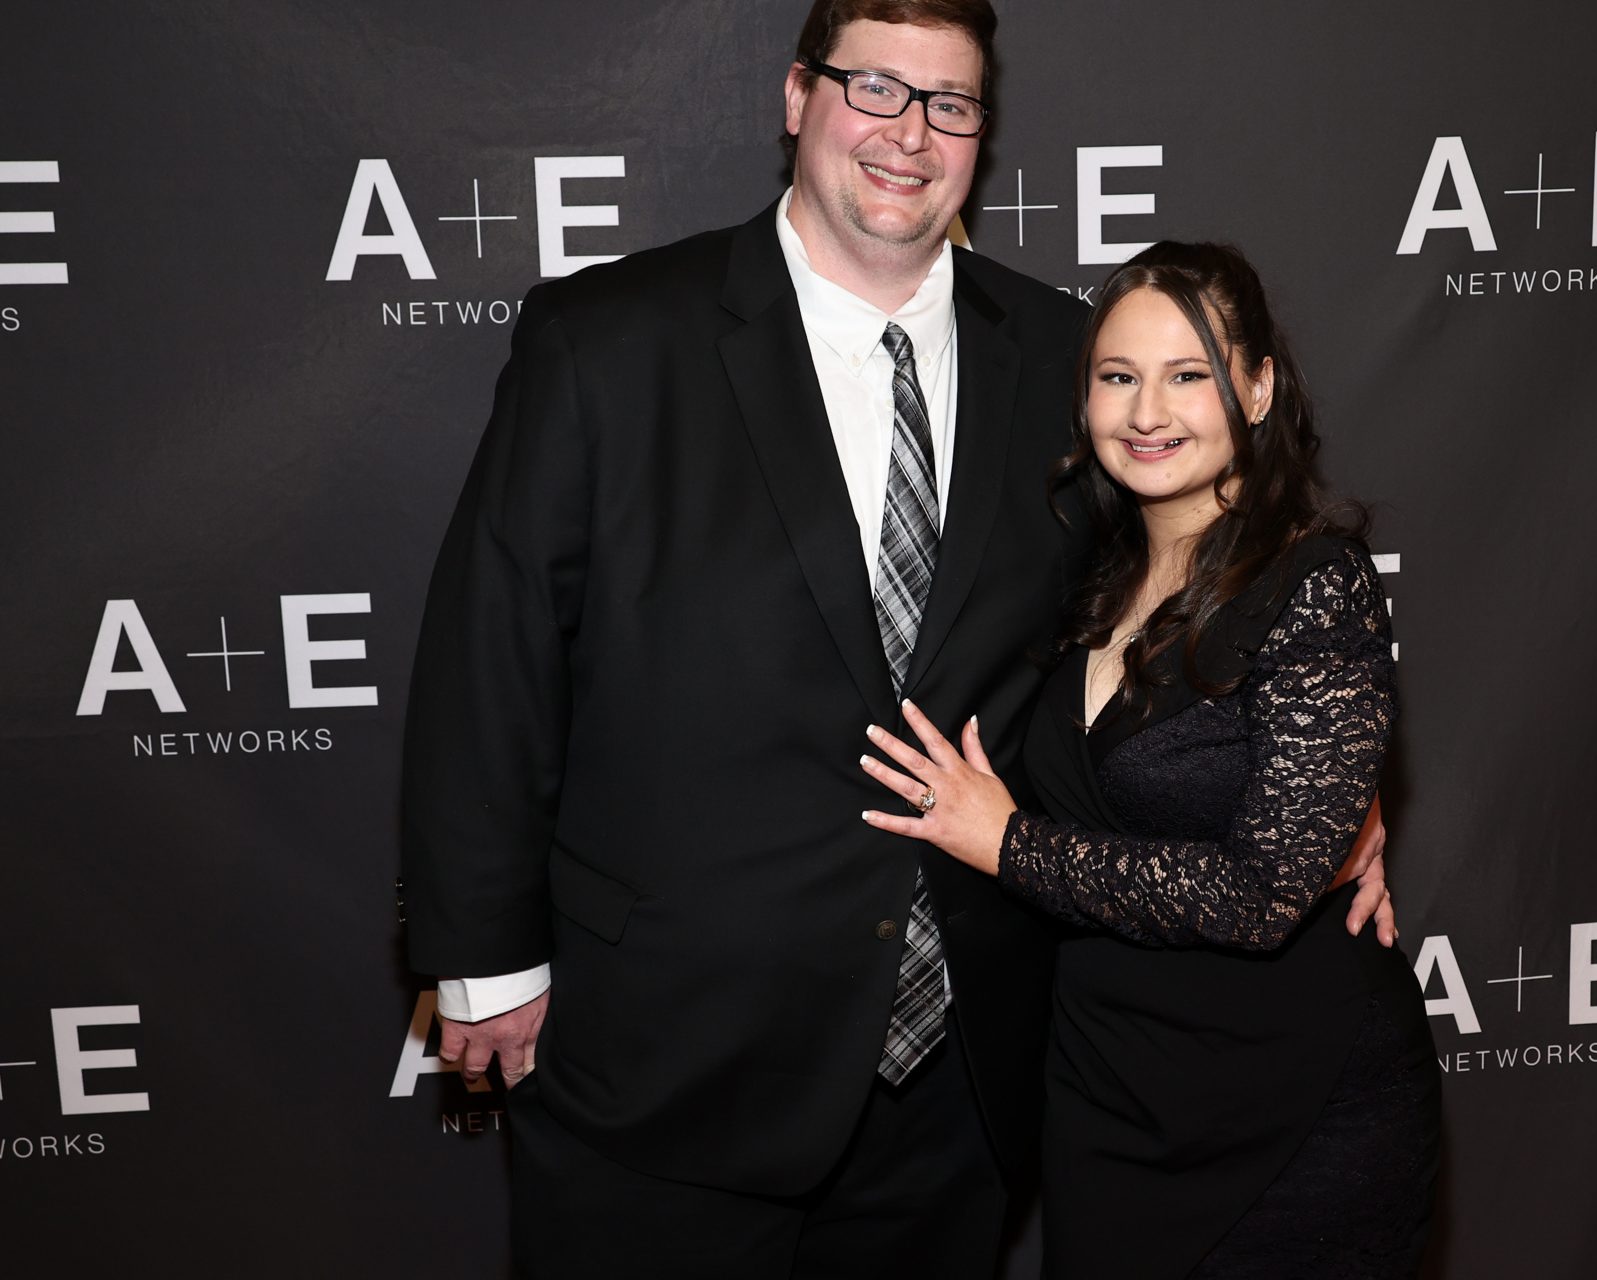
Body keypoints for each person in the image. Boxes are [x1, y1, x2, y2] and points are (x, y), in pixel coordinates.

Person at [399, 0, 1397, 1273]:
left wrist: (1322, 791)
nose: (909, 134)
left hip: (961, 1071)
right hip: (665, 1054)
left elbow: (1192, 593)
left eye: (951, 104)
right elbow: (494, 654)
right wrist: (484, 956)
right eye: (874, 88)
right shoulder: (609, 339)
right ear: (796, 96)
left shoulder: (1064, 357)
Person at [860, 241, 1441, 1278]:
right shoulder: (1076, 569)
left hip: (1295, 1114)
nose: (1147, 411)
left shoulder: (1314, 582)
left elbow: (1263, 894)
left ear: (1258, 388)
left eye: (1190, 375)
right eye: (1118, 376)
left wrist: (1009, 844)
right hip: (1107, 1101)